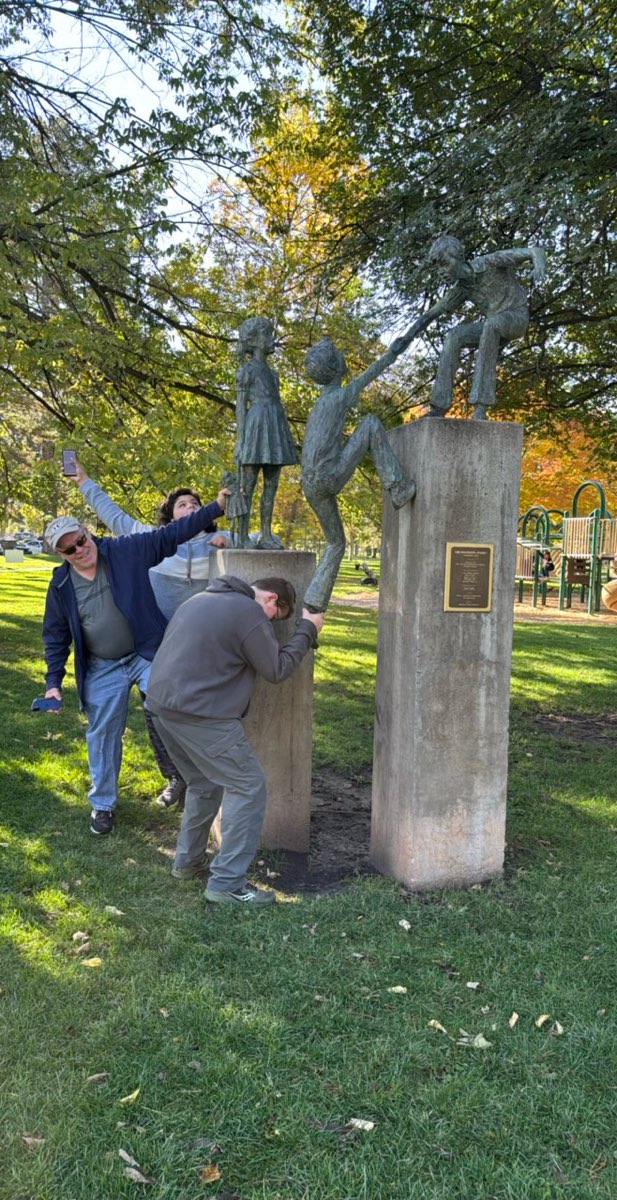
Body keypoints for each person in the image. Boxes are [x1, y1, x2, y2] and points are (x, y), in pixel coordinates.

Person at [42, 495, 227, 836]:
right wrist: (54, 681)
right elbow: (55, 636)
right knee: (102, 732)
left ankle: (198, 780)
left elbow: (170, 534)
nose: (80, 549)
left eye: (81, 539)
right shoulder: (61, 584)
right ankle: (103, 805)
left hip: (145, 653)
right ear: (61, 554)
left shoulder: (125, 551)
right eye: (69, 549)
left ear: (87, 532)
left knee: (174, 706)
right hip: (102, 665)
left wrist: (214, 508)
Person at [146, 575, 324, 905]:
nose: (270, 625)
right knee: (248, 785)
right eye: (277, 618)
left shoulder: (201, 599)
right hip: (201, 715)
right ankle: (227, 883)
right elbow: (276, 669)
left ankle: (188, 862)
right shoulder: (249, 612)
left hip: (160, 709)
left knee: (203, 782)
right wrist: (308, 629)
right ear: (272, 600)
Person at [301, 323, 424, 613]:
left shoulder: (319, 405)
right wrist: (393, 352)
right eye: (340, 356)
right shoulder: (337, 397)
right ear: (335, 368)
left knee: (336, 543)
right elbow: (371, 375)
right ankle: (399, 487)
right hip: (327, 477)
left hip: (310, 484)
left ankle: (314, 602)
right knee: (369, 423)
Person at [425, 236, 546, 419]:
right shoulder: (462, 288)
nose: (441, 271)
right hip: (494, 325)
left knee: (492, 324)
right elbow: (437, 310)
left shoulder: (491, 262)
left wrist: (539, 266)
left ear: (458, 257)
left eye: (444, 264)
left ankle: (480, 406)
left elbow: (535, 251)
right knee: (454, 336)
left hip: (516, 319)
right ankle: (439, 406)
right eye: (437, 267)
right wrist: (407, 336)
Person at [233, 316, 298, 549]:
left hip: (274, 427)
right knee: (247, 486)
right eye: (268, 335)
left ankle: (266, 534)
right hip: (255, 429)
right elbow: (240, 406)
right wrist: (241, 441)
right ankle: (241, 536)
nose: (272, 340)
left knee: (272, 484)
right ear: (255, 340)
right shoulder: (247, 371)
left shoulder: (273, 375)